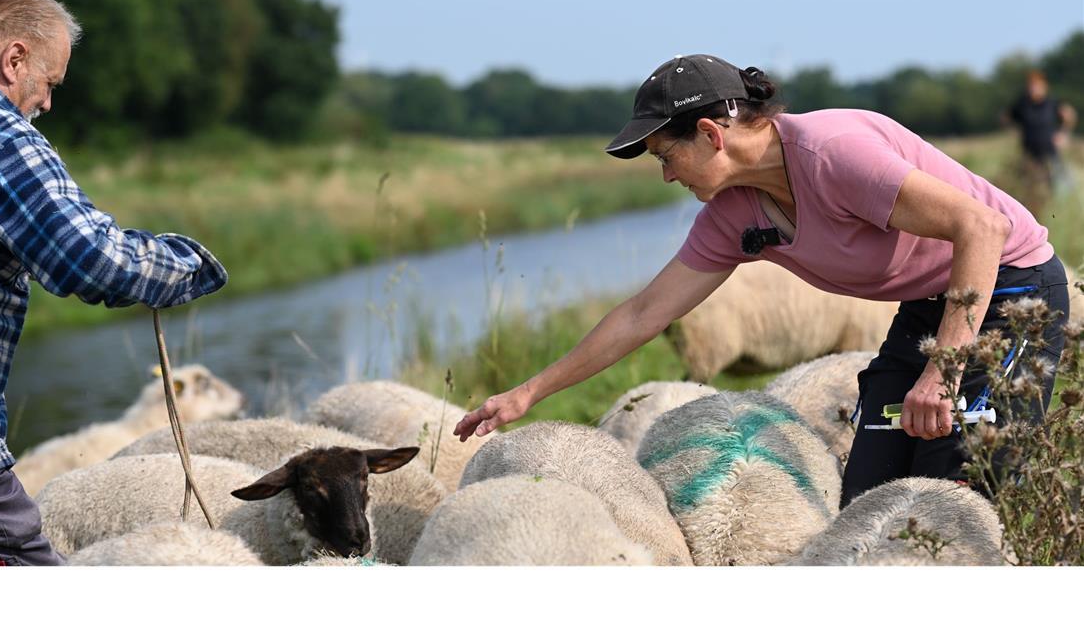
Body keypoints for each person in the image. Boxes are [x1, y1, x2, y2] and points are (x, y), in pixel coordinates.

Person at [453, 54, 1069, 509]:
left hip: (1013, 292)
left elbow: (982, 228)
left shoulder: (834, 154)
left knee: (947, 494)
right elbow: (645, 313)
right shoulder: (732, 213)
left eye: (666, 157)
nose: (666, 176)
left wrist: (944, 370)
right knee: (868, 498)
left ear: (711, 135)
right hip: (930, 307)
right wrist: (528, 393)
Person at [0, 0, 229, 565]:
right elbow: (87, 258)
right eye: (49, 83)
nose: (48, 104)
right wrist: (189, 264)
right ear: (14, 59)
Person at [1002, 70, 1077, 214]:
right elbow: (1005, 117)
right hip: (1029, 154)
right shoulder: (1022, 104)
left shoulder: (1052, 102)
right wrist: (1014, 131)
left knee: (1057, 183)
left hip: (1049, 152)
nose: (1033, 89)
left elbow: (1070, 115)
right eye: (1031, 86)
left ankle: (1058, 211)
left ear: (1044, 86)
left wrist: (1063, 134)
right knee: (1028, 185)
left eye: (1037, 86)